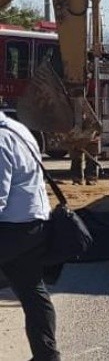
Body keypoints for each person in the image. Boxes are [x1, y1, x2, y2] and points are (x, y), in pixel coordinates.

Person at [0, 111, 61, 361]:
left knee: (32, 289)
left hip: (12, 228)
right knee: (32, 290)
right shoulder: (19, 130)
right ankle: (47, 356)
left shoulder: (1, 139)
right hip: (34, 223)